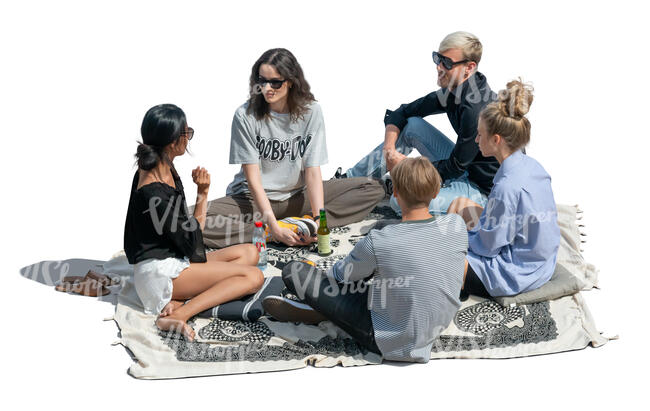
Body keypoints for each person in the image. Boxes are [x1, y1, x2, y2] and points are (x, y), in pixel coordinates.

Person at [263, 157, 468, 363]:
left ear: (395, 193)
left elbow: (341, 275)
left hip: (389, 339)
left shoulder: (379, 241)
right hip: (435, 324)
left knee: (295, 271)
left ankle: (325, 312)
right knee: (390, 275)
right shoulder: (457, 226)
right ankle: (329, 310)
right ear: (436, 192)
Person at [200, 48, 385, 249]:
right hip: (252, 200)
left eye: (275, 82)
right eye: (261, 81)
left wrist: (318, 220)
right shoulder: (245, 115)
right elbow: (253, 180)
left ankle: (303, 224)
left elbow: (312, 171)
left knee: (372, 187)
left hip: (297, 196)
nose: (267, 88)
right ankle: (267, 231)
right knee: (191, 221)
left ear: (290, 81)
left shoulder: (311, 111)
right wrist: (273, 229)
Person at [124, 104, 264, 341]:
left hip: (173, 258)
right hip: (158, 273)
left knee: (251, 252)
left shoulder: (160, 164)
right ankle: (179, 314)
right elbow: (191, 241)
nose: (188, 137)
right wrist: (203, 193)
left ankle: (179, 298)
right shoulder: (154, 192)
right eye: (185, 132)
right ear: (172, 142)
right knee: (253, 277)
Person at [335, 31, 500, 216]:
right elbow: (403, 112)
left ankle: (409, 187)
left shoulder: (476, 110)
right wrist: (389, 151)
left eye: (447, 63)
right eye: (438, 58)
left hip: (482, 191)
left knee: (398, 203)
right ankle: (348, 182)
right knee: (413, 125)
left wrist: (409, 168)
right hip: (464, 168)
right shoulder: (454, 91)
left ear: (469, 67)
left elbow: (454, 167)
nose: (439, 67)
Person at [447, 79, 560, 298]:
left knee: (439, 251)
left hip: (516, 271)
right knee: (459, 204)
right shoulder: (531, 166)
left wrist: (458, 238)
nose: (476, 140)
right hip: (540, 259)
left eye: (480, 134)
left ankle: (460, 283)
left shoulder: (507, 187)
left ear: (496, 140)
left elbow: (489, 248)